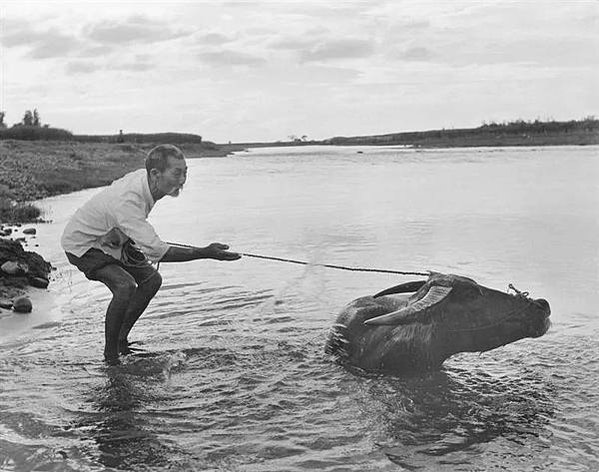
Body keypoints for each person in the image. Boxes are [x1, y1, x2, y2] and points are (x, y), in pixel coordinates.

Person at [61, 144, 241, 365]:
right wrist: (205, 252)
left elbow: (128, 223)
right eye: (177, 173)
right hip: (82, 244)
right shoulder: (129, 200)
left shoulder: (145, 181)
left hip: (111, 238)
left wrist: (126, 237)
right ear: (155, 174)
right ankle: (110, 357)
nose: (183, 180)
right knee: (125, 286)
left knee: (152, 279)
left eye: (186, 172)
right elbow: (158, 251)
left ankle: (121, 339)